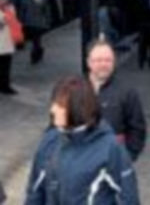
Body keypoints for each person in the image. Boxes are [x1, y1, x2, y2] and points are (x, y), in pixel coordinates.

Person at [25, 76, 139, 204]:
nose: (52, 110)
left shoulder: (110, 148)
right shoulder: (50, 139)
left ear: (77, 108)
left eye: (59, 105)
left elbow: (129, 198)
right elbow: (35, 190)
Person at [86, 39, 147, 162]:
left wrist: (129, 156)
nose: (104, 64)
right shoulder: (75, 89)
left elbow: (138, 129)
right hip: (83, 158)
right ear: (88, 62)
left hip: (114, 159)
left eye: (108, 60)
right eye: (98, 60)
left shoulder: (127, 92)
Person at [20, 0, 51, 64]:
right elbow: (22, 11)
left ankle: (34, 57)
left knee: (36, 40)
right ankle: (39, 51)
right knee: (35, 40)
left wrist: (48, 21)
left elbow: (46, 11)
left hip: (39, 23)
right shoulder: (25, 0)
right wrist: (21, 21)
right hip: (28, 23)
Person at [0, 0, 22, 95]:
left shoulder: (11, 8)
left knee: (6, 66)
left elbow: (14, 22)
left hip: (8, 43)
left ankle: (5, 86)